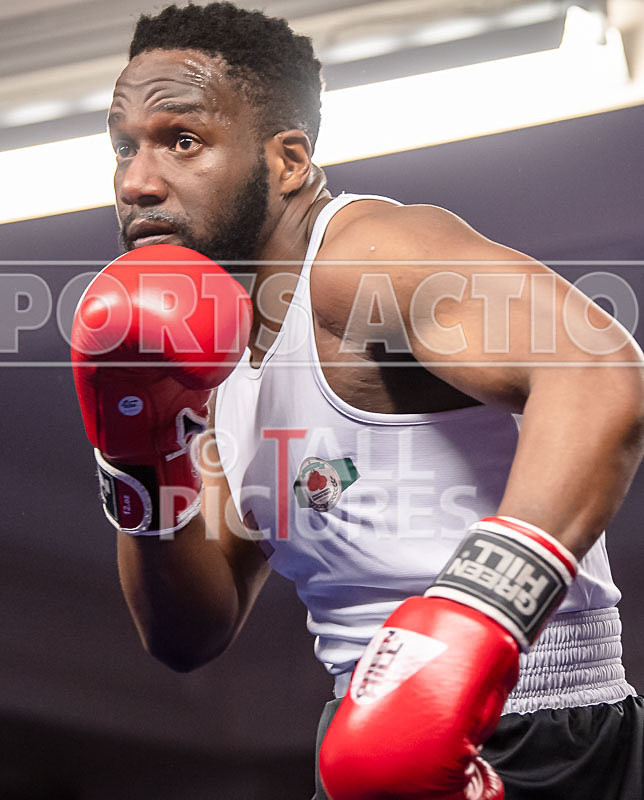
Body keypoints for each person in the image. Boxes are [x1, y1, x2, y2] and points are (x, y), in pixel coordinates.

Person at [72, 2, 644, 797]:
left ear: (289, 160)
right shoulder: (200, 360)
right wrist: (136, 452)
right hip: (366, 739)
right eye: (123, 147)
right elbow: (191, 631)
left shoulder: (366, 256)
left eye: (182, 141)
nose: (137, 180)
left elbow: (600, 368)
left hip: (538, 727)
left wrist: (477, 619)